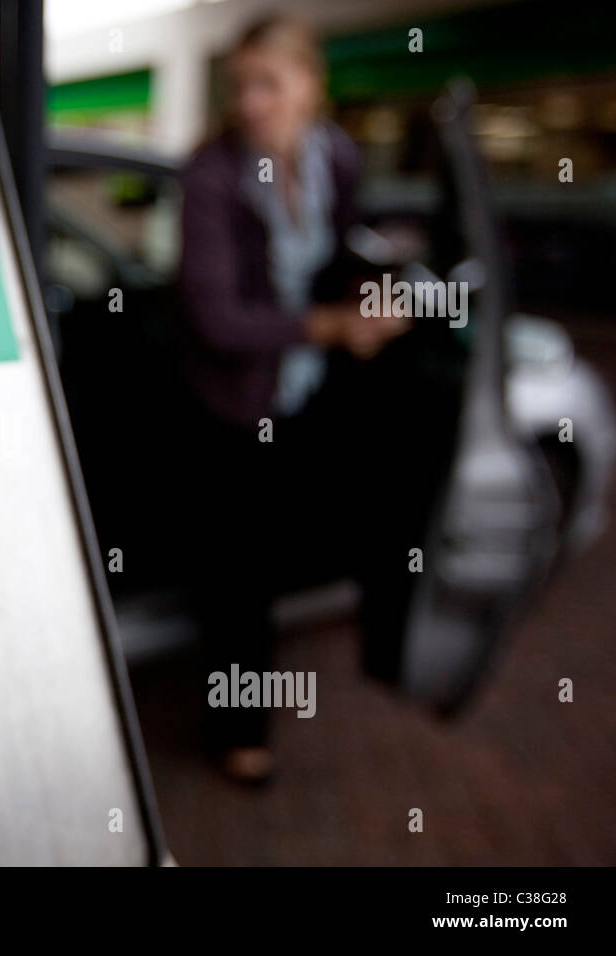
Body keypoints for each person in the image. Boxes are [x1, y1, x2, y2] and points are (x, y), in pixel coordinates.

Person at [179, 15, 409, 784]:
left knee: (367, 502)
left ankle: (395, 647)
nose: (250, 101)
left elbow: (347, 251)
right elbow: (216, 318)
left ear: (312, 86)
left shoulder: (334, 156)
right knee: (238, 577)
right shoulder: (211, 174)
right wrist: (333, 327)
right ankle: (236, 730)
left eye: (269, 83)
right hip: (237, 402)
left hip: (310, 385)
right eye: (240, 85)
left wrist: (377, 300)